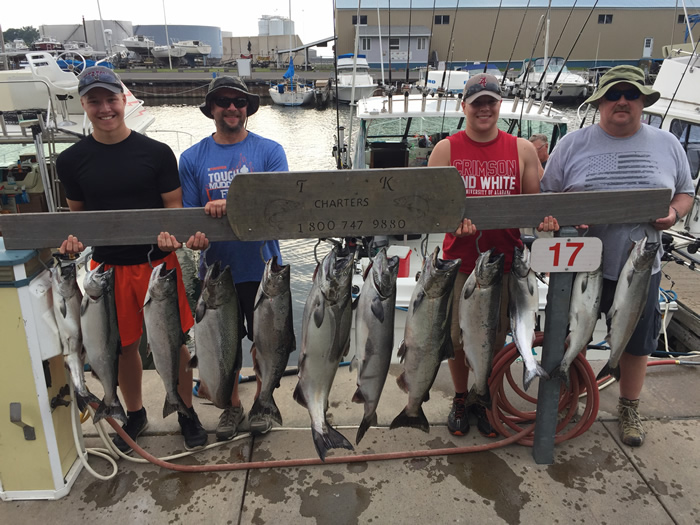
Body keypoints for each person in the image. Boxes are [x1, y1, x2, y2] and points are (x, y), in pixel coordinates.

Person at [56, 66, 209, 453]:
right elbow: (79, 218)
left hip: (157, 265)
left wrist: (169, 240)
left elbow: (173, 210)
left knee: (174, 342)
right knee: (122, 345)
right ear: (84, 105)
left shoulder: (156, 153)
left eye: (111, 99)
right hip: (107, 270)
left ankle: (185, 409)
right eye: (95, 101)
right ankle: (135, 411)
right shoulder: (71, 160)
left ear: (124, 100)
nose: (105, 108)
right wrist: (74, 242)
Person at [540, 65, 694, 447]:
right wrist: (563, 221)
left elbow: (685, 194)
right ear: (600, 102)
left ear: (642, 101)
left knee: (636, 342)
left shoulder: (668, 144)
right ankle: (568, 399)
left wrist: (673, 214)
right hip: (581, 264)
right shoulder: (572, 144)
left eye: (630, 94)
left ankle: (629, 406)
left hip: (642, 267)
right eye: (613, 94)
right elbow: (548, 200)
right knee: (569, 335)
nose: (622, 101)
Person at [428, 73, 557, 437]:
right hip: (461, 264)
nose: (484, 108)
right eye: (476, 102)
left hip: (505, 265)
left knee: (496, 336)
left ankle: (482, 397)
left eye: (491, 102)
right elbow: (432, 208)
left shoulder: (522, 149)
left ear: (500, 105)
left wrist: (545, 220)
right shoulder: (445, 149)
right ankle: (459, 397)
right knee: (456, 339)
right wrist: (453, 225)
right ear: (464, 106)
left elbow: (534, 205)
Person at [173, 76, 288, 441]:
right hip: (216, 273)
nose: (231, 107)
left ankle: (262, 402)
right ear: (211, 110)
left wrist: (233, 204)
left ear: (248, 109)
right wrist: (195, 234)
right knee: (222, 347)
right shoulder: (192, 158)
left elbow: (279, 207)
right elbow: (190, 215)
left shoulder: (270, 151)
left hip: (263, 270)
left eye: (238, 101)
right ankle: (230, 407)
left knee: (265, 343)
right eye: (222, 101)